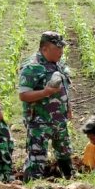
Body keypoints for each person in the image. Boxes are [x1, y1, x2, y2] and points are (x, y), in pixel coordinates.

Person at [18, 31, 74, 181]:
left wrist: (68, 107)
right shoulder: (32, 67)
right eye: (57, 48)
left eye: (62, 48)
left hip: (59, 120)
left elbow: (65, 88)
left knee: (64, 153)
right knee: (37, 157)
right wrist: (46, 92)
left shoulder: (59, 64)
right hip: (39, 122)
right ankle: (31, 185)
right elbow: (23, 95)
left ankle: (69, 181)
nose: (61, 51)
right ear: (44, 49)